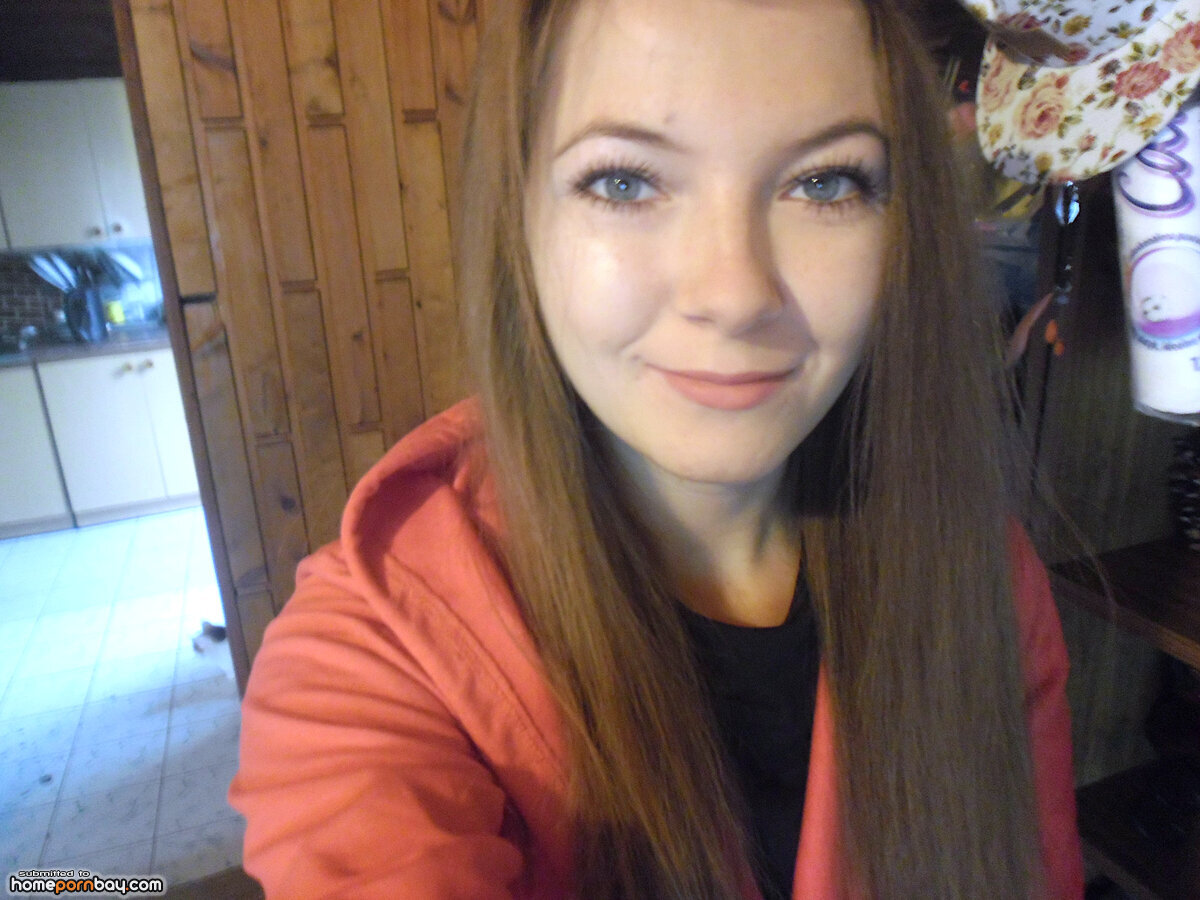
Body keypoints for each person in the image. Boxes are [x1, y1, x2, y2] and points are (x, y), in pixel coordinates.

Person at [229, 0, 1084, 897]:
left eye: (825, 182)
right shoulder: (371, 658)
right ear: (519, 222)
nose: (736, 295)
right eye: (625, 182)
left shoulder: (980, 574)